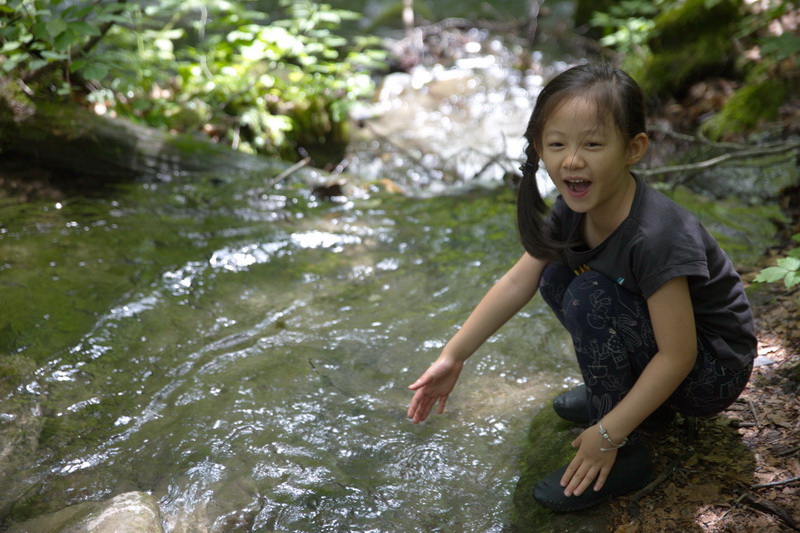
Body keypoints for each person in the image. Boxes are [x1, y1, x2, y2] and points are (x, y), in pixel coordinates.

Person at [406, 63, 756, 512]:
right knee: (553, 276)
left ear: (633, 148)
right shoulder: (572, 209)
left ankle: (625, 454)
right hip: (672, 356)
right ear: (539, 150)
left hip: (709, 373)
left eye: (593, 144)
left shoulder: (657, 236)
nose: (572, 159)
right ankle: (632, 400)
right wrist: (452, 356)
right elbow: (518, 281)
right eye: (557, 145)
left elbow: (678, 354)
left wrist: (606, 434)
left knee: (589, 295)